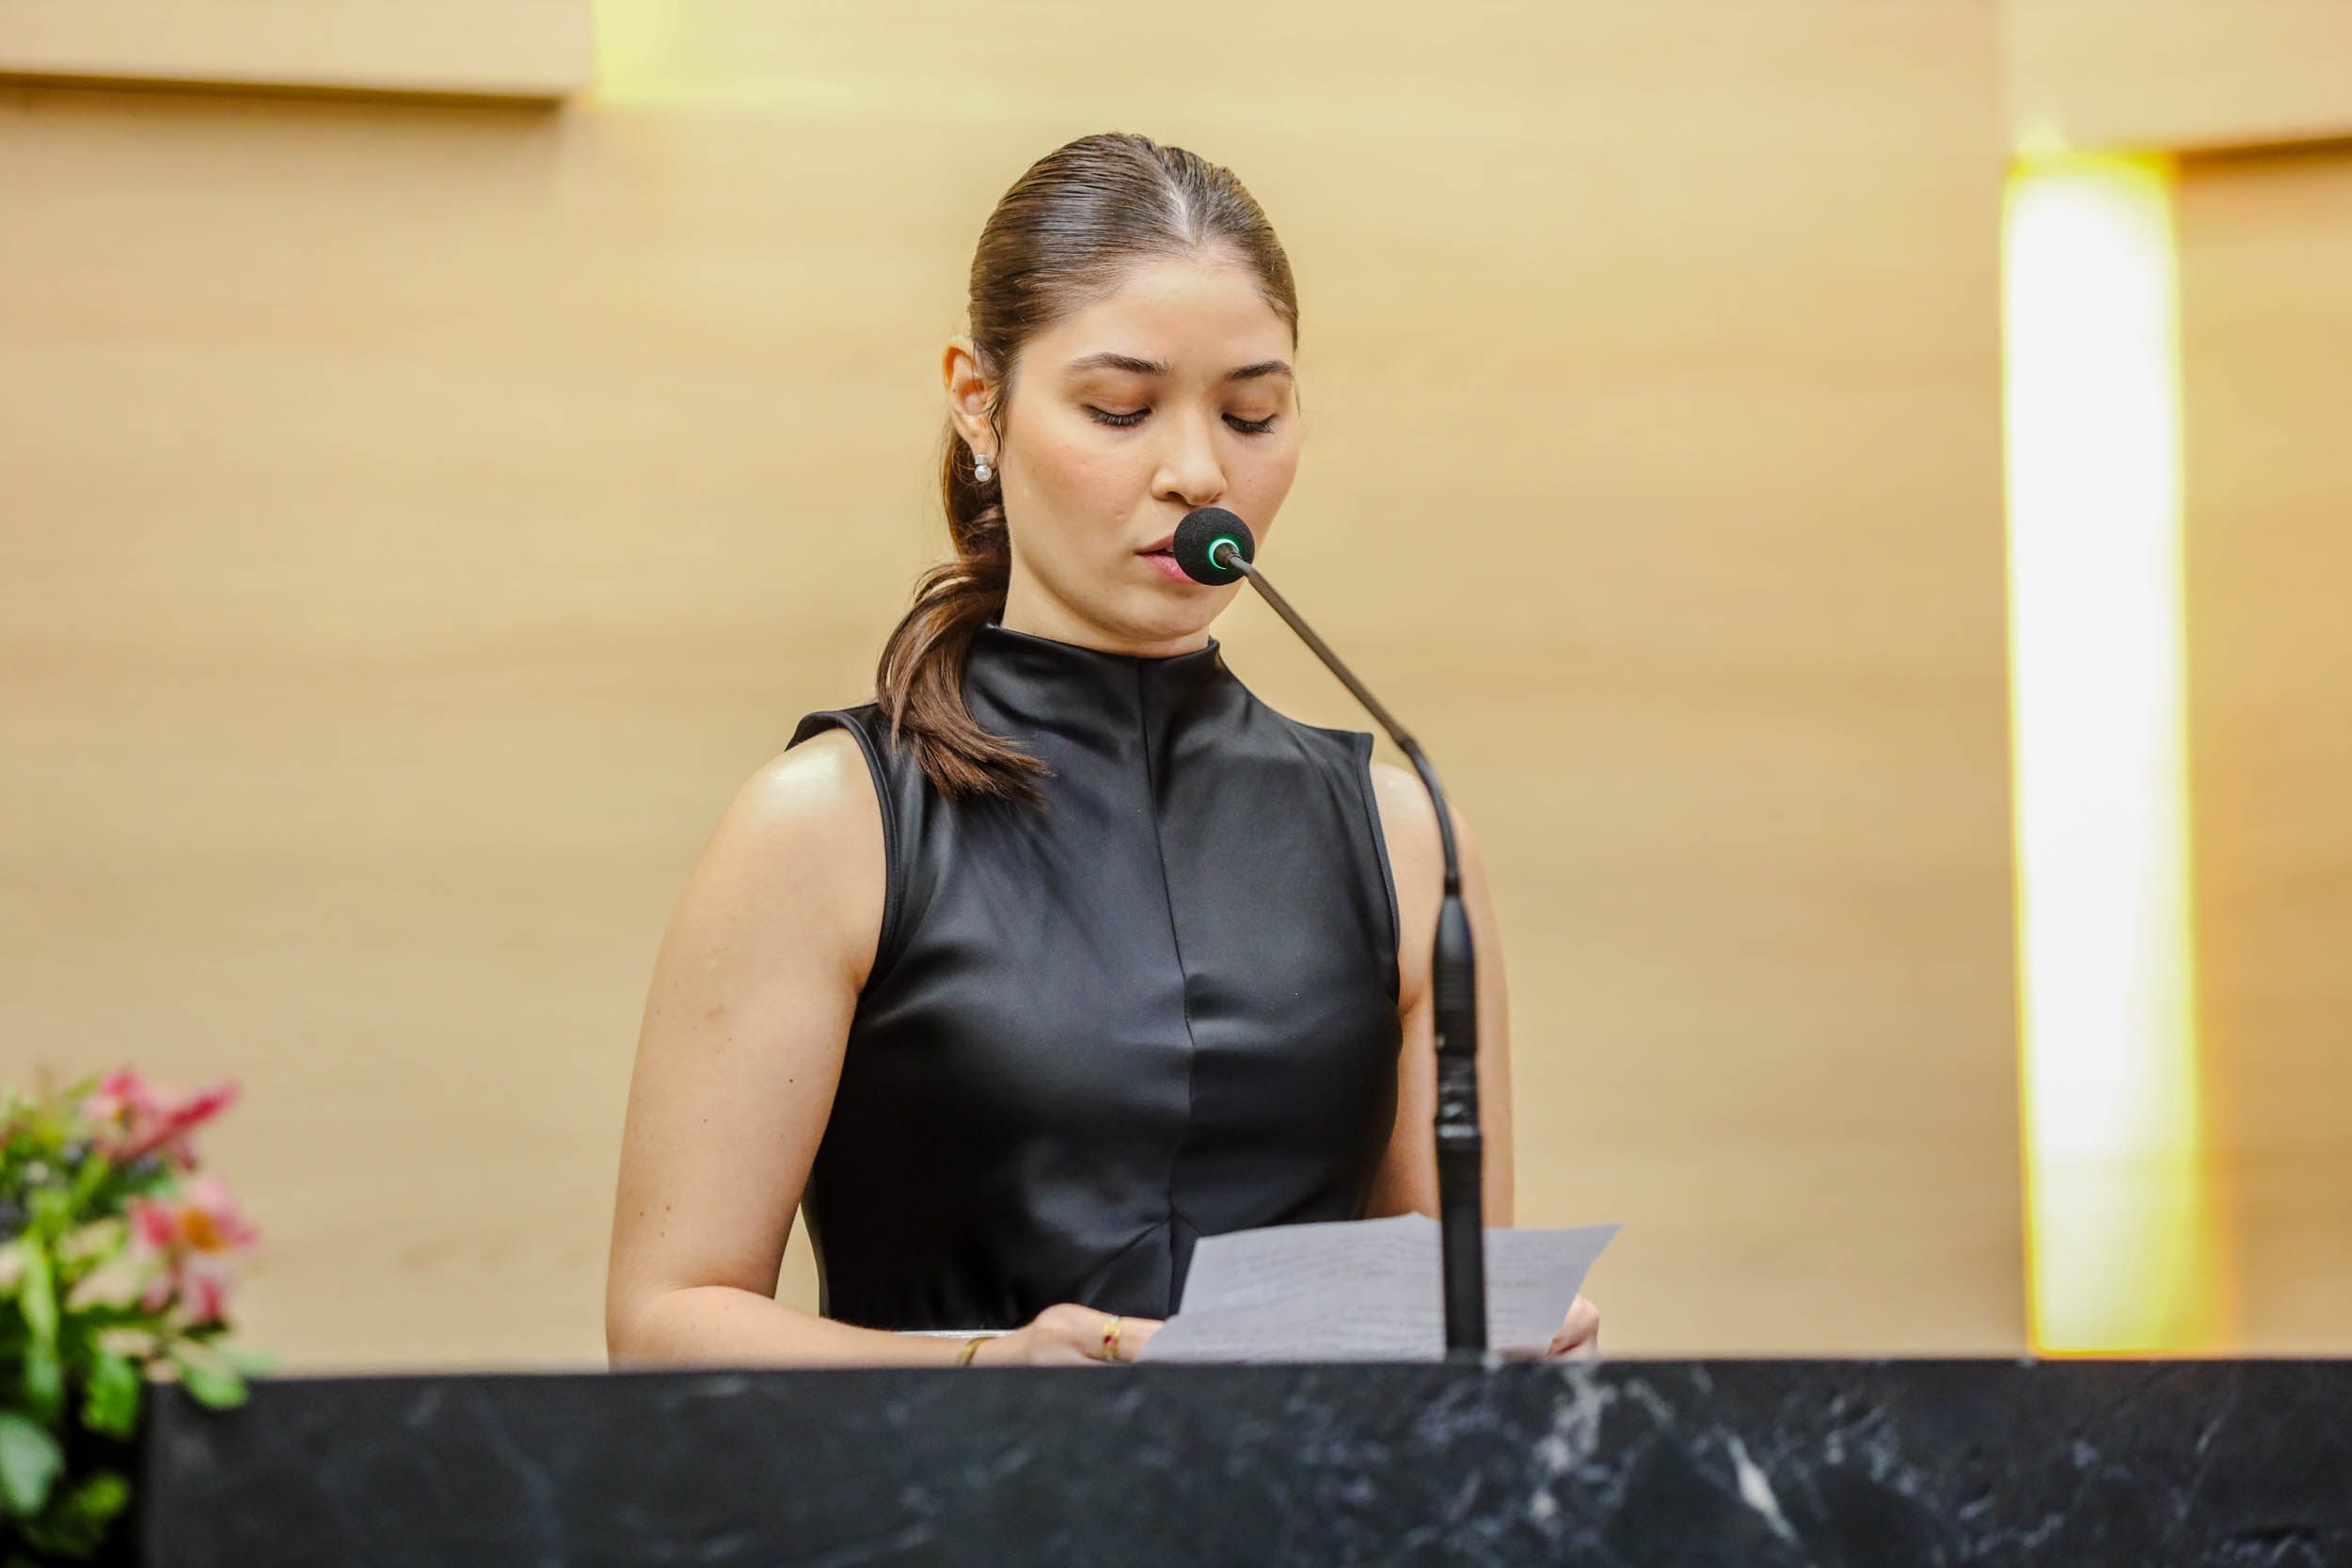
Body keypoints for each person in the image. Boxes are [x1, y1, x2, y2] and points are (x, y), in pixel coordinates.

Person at [604, 132, 1600, 1368]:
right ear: (979, 399)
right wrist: (987, 1372)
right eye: (1120, 410)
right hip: (946, 1485)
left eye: (1252, 413)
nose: (1198, 472)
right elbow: (665, 1324)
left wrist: (1500, 1351)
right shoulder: (826, 823)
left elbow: (1441, 1339)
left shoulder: (1405, 838)